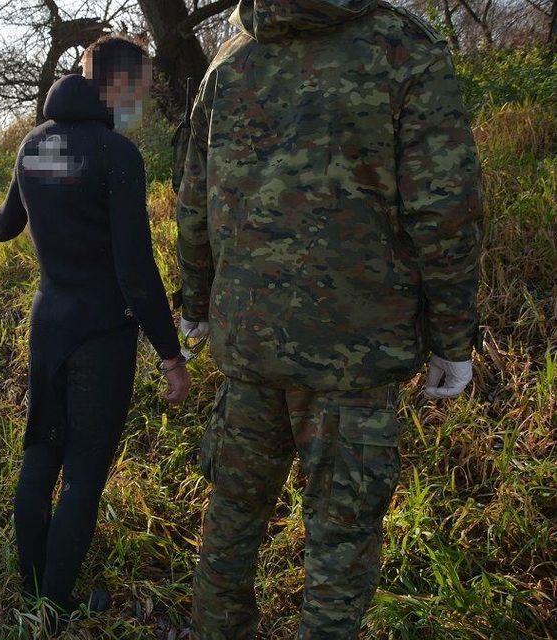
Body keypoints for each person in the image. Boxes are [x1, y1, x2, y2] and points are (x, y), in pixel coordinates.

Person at [175, 0, 483, 636]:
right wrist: (453, 339)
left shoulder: (230, 63)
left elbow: (194, 199)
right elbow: (444, 208)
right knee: (340, 544)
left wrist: (196, 303)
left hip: (250, 343)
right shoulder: (403, 49)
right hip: (356, 352)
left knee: (230, 523)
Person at [0, 35, 192, 624]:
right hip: (101, 336)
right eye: (140, 90)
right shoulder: (116, 156)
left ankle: (31, 596)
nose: (140, 103)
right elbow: (135, 269)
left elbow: (11, 217)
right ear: (116, 85)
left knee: (40, 459)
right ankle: (55, 606)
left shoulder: (34, 145)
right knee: (84, 476)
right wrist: (171, 356)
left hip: (49, 328)